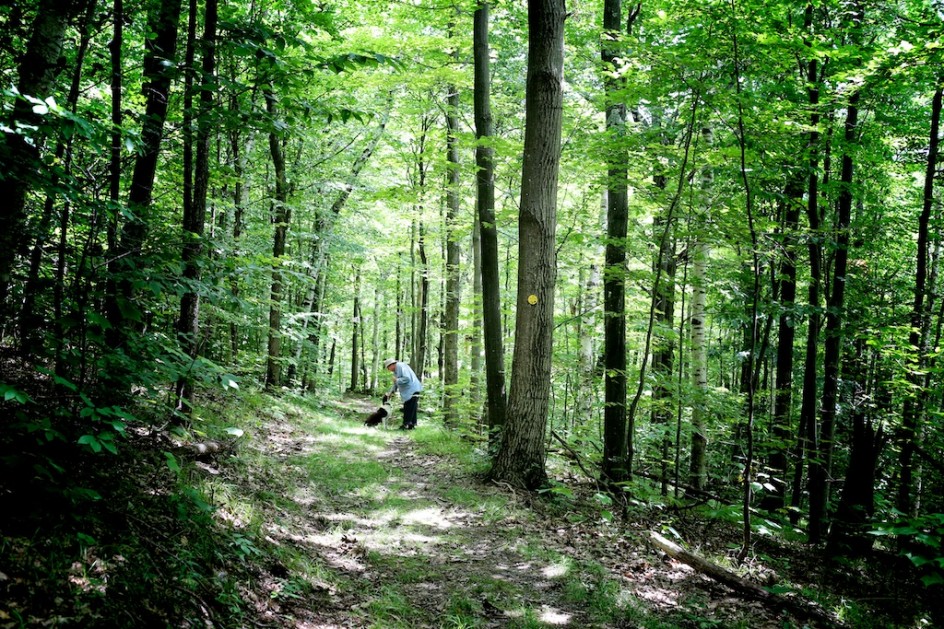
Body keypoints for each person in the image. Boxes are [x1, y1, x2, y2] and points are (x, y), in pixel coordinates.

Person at [383, 358, 422, 430]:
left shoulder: (401, 366)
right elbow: (395, 383)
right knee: (411, 407)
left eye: (388, 367)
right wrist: (391, 392)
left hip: (412, 389)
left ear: (391, 364)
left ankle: (406, 425)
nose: (388, 369)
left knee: (409, 407)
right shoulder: (396, 370)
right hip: (409, 391)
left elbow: (407, 379)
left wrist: (397, 380)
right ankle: (411, 425)